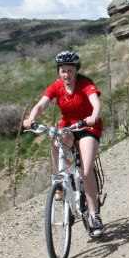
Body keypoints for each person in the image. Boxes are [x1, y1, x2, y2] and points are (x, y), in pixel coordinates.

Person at [23, 50, 104, 237]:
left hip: (87, 127)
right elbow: (42, 104)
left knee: (85, 171)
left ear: (76, 70)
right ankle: (62, 178)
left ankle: (94, 214)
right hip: (68, 127)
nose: (66, 75)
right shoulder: (56, 86)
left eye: (69, 70)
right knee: (55, 144)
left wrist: (94, 115)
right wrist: (31, 118)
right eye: (62, 71)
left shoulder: (85, 84)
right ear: (58, 72)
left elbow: (96, 102)